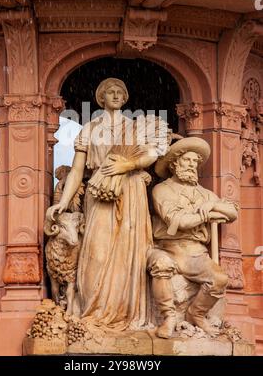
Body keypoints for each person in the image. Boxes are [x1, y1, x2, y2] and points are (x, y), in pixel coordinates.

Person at [48, 78, 166, 330]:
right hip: (99, 194)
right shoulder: (90, 129)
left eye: (119, 92)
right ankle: (93, 313)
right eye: (109, 92)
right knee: (96, 253)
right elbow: (78, 170)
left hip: (130, 191)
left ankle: (125, 315)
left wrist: (130, 165)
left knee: (128, 255)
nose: (115, 95)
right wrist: (64, 202)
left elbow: (153, 154)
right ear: (101, 98)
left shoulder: (136, 127)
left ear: (125, 98)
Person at [147, 137, 238, 338]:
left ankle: (195, 314)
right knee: (161, 264)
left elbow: (232, 212)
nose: (192, 165)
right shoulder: (162, 190)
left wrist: (212, 206)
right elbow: (179, 221)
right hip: (167, 248)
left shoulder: (205, 194)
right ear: (174, 163)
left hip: (196, 253)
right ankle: (168, 317)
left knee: (220, 278)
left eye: (195, 162)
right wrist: (204, 216)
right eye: (187, 160)